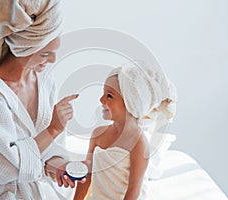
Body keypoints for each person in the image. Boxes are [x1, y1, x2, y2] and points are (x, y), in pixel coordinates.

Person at [0, 0, 85, 199]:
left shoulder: (45, 81)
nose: (51, 61)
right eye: (45, 53)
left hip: (33, 190)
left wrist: (57, 164)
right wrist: (53, 129)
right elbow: (0, 167)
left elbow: (42, 149)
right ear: (23, 47)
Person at [73, 61, 176, 200]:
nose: (101, 99)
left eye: (109, 96)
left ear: (130, 103)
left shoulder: (138, 142)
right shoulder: (98, 134)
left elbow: (134, 188)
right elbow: (87, 174)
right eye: (103, 94)